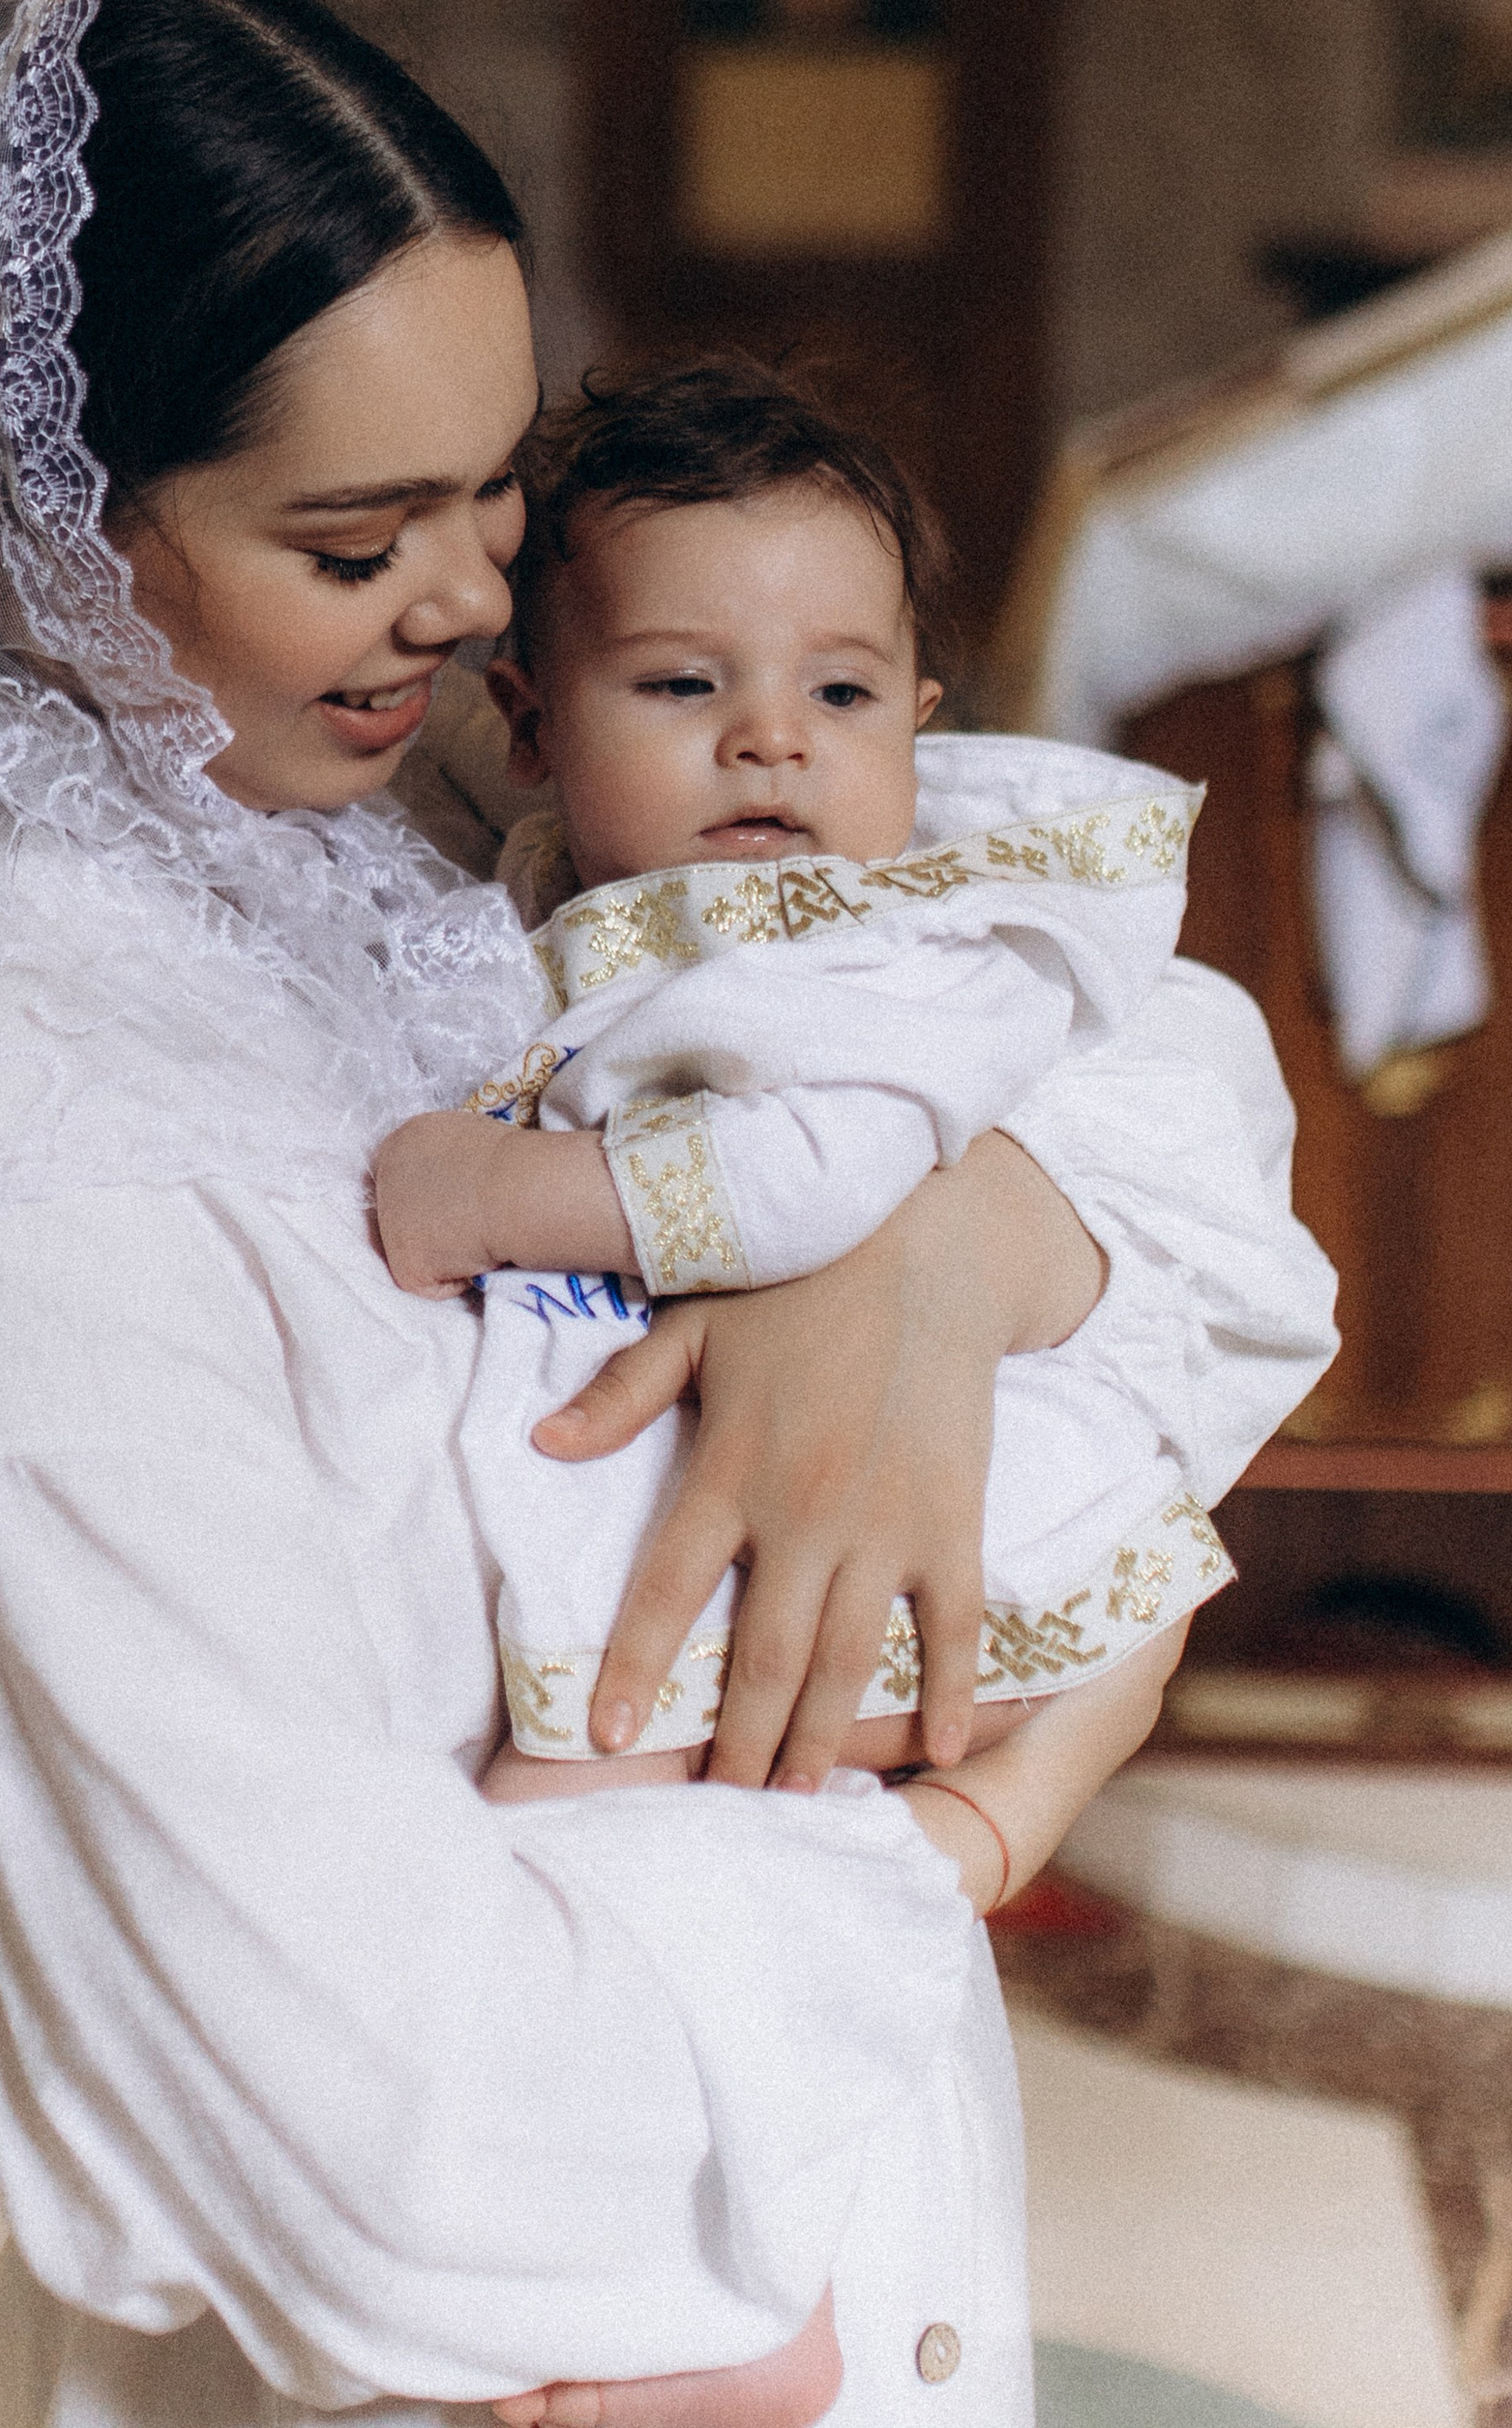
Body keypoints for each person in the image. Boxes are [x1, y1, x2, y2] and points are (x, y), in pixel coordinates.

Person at [0, 0, 1332, 2428]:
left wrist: (936, 1254)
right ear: (42, 520)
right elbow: (382, 2136)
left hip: (826, 2248)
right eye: (355, 538)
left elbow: (1152, 1104)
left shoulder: (342, 795)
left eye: (497, 493)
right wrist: (952, 1845)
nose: (468, 605)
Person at [371, 366, 1331, 1806]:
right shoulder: (573, 898)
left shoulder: (889, 948)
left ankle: (961, 1816)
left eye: (841, 692)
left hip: (957, 1528)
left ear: (916, 724)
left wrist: (498, 1195)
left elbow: (809, 1180)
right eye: (683, 684)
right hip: (751, 1441)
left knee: (559, 1801)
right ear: (530, 723)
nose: (774, 736)